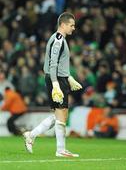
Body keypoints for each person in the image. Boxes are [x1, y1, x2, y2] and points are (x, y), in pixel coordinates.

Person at [23, 12, 82, 157]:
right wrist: (56, 83)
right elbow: (53, 63)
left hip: (60, 78)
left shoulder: (61, 39)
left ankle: (31, 134)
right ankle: (60, 150)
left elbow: (60, 64)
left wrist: (69, 77)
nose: (73, 28)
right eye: (71, 25)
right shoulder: (58, 39)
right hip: (55, 79)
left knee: (60, 115)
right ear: (63, 24)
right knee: (61, 114)